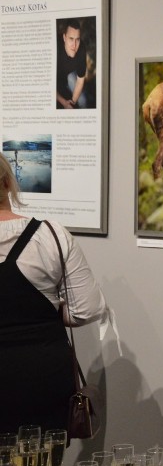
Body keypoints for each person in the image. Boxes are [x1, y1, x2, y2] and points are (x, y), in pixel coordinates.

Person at [0, 154, 106, 434]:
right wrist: (47, 310)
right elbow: (87, 309)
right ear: (9, 183)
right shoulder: (50, 234)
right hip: (43, 378)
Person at [56, 19, 88, 109]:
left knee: (83, 101)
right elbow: (45, 85)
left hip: (68, 75)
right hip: (53, 80)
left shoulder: (81, 48)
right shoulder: (56, 47)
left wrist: (72, 103)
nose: (74, 45)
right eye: (71, 39)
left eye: (77, 40)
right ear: (64, 38)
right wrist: (64, 103)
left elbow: (80, 81)